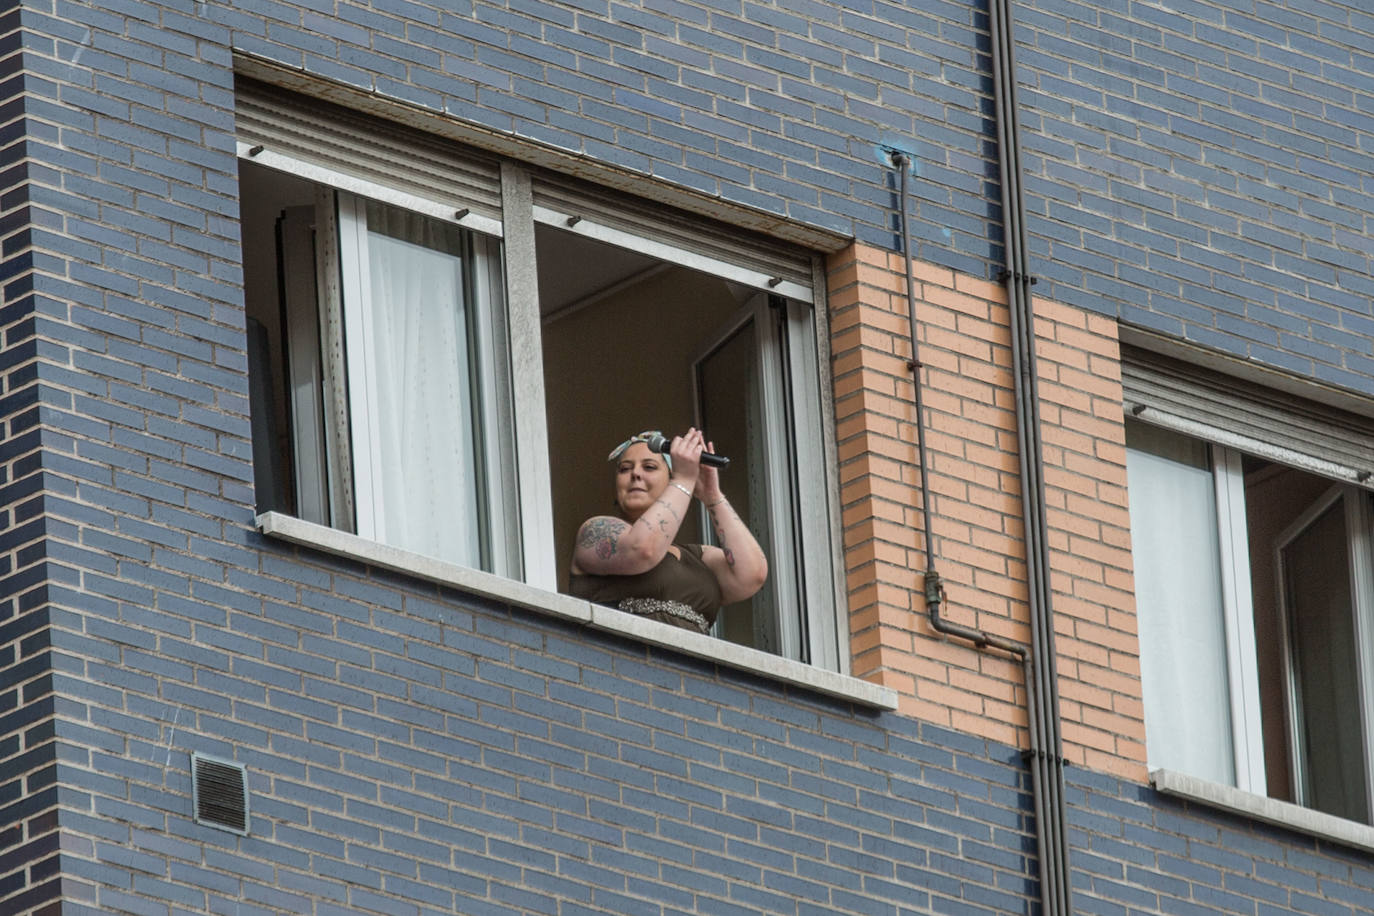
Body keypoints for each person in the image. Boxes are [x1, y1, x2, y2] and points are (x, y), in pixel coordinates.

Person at [568, 428, 768, 634]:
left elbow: (752, 575)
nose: (635, 474)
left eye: (649, 467)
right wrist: (683, 481)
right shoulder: (595, 530)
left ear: (669, 480)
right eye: (624, 469)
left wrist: (712, 496)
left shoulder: (696, 557)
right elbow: (642, 549)